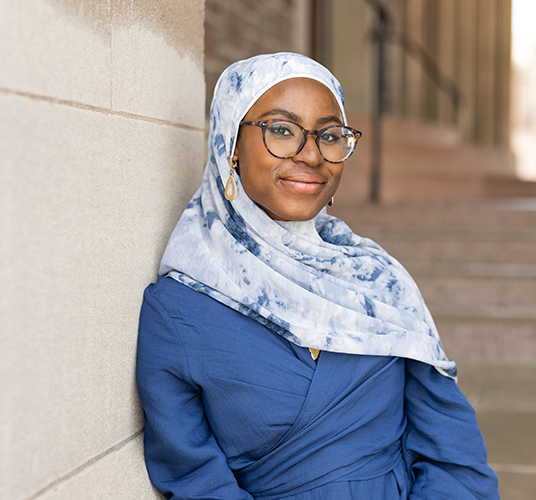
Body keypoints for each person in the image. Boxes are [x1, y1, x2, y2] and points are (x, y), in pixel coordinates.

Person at [136, 52, 500, 500]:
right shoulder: (181, 308)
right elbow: (194, 479)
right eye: (281, 130)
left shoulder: (376, 282)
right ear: (228, 146)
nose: (311, 154)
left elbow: (454, 456)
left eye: (329, 135)